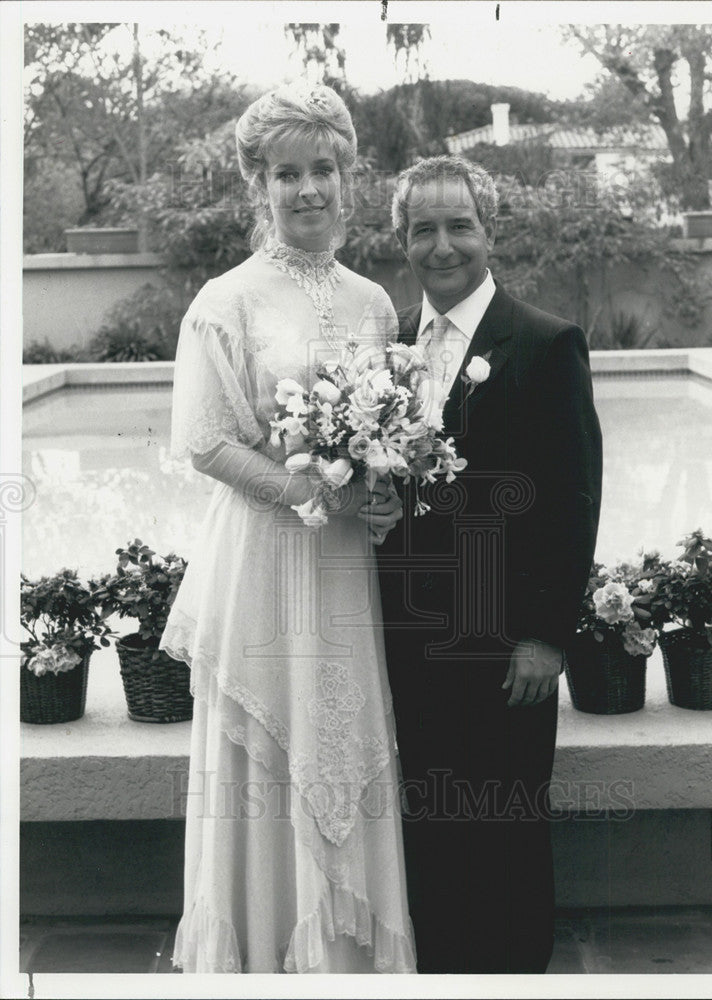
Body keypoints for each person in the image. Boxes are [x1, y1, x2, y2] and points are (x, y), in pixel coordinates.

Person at [159, 82, 413, 973]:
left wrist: (382, 493)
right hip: (265, 556)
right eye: (286, 174)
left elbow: (391, 439)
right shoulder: (226, 300)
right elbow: (204, 444)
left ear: (349, 177)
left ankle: (343, 961)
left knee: (340, 733)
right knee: (267, 752)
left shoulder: (375, 303)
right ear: (257, 186)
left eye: (324, 170)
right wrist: (314, 495)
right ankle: (264, 956)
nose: (308, 189)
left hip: (343, 563)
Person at [377, 155, 603, 974]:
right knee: (428, 828)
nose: (442, 246)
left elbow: (574, 501)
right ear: (402, 241)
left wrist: (545, 637)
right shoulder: (388, 344)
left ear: (488, 231)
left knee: (506, 827)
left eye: (458, 225)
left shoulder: (544, 343)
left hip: (508, 646)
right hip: (409, 640)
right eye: (422, 229)